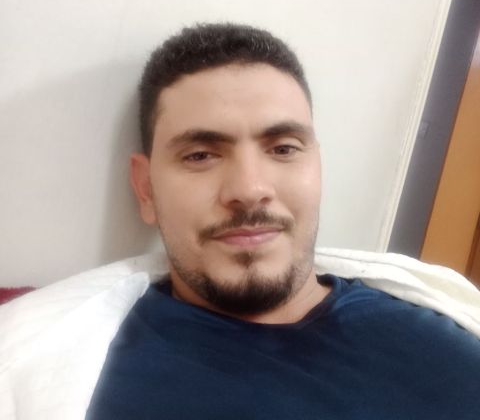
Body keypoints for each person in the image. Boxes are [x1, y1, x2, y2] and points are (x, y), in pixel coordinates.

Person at [0, 24, 479, 420]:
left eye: (283, 148)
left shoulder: (446, 338)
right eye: (200, 154)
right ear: (146, 190)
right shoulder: (60, 365)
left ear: (317, 168)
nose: (249, 189)